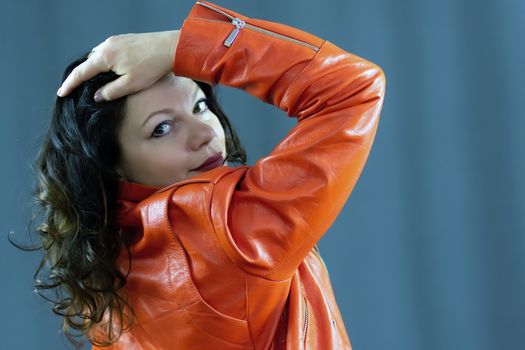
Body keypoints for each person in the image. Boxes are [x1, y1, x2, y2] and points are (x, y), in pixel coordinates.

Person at [34, 0, 386, 348]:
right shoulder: (227, 228)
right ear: (112, 164)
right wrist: (177, 46)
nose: (204, 133)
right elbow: (351, 88)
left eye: (199, 106)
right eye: (162, 128)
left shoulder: (103, 269)